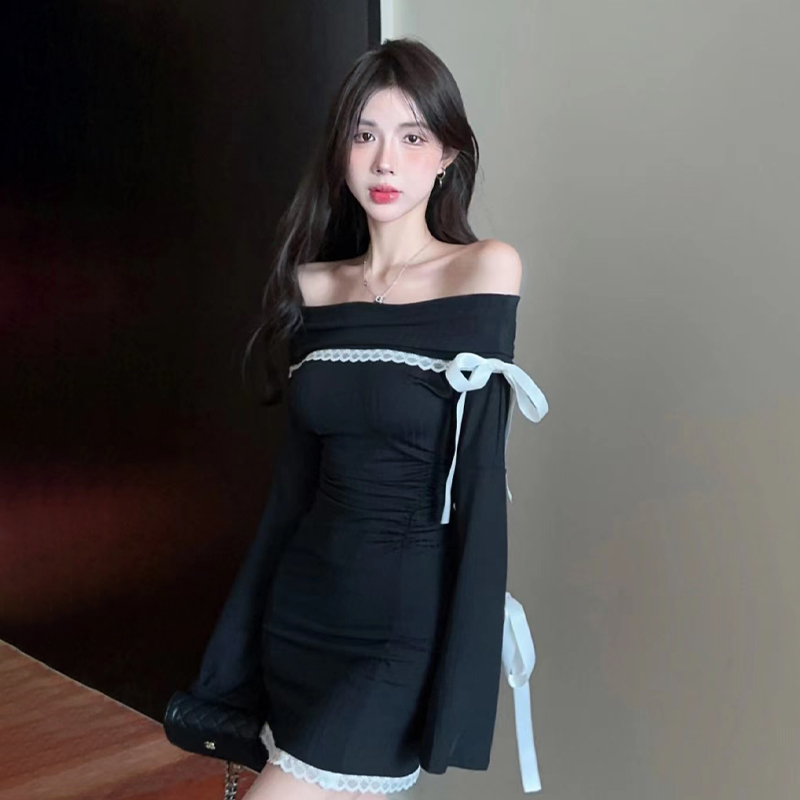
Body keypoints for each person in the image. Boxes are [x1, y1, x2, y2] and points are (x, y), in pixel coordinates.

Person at [187, 37, 548, 799]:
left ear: (447, 154)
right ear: (341, 151)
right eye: (365, 135)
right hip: (301, 612)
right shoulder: (313, 288)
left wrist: (463, 672)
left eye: (413, 137)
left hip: (399, 634)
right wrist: (237, 648)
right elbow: (292, 490)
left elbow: (481, 480)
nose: (386, 162)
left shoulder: (485, 270)